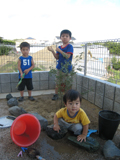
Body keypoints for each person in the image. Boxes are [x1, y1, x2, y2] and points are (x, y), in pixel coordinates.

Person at [47, 29, 73, 100]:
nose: (64, 37)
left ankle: (68, 96)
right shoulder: (59, 47)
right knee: (58, 82)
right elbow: (57, 57)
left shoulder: (69, 46)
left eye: (66, 36)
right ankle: (56, 94)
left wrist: (60, 51)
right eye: (63, 36)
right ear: (60, 37)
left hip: (67, 69)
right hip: (59, 68)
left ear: (70, 38)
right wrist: (52, 51)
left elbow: (67, 56)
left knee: (67, 82)